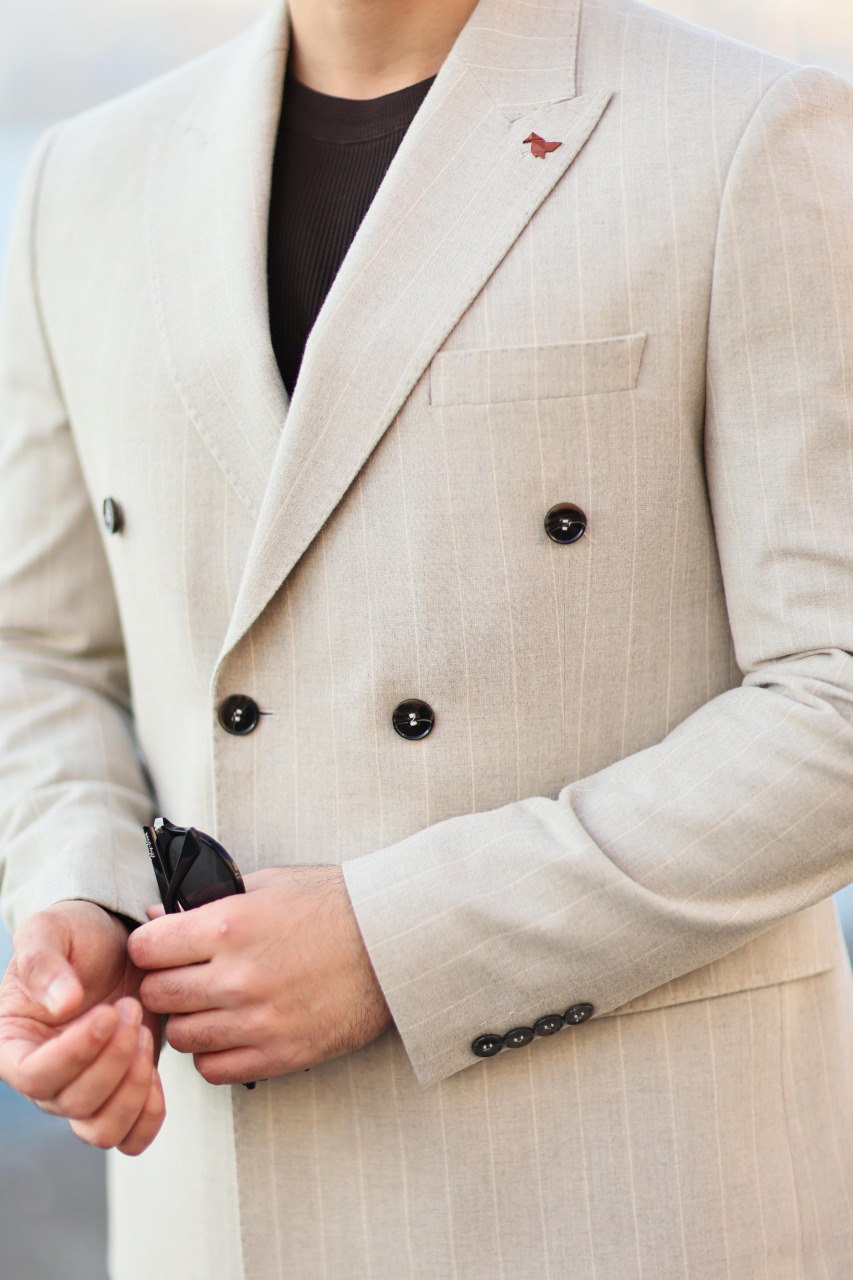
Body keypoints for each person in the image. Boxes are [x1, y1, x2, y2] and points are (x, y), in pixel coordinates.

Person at [0, 0, 851, 1275]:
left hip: (632, 1195)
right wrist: (84, 893)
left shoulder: (745, 130)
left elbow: (833, 695)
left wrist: (396, 943)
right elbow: (43, 651)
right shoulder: (83, 180)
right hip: (219, 1208)